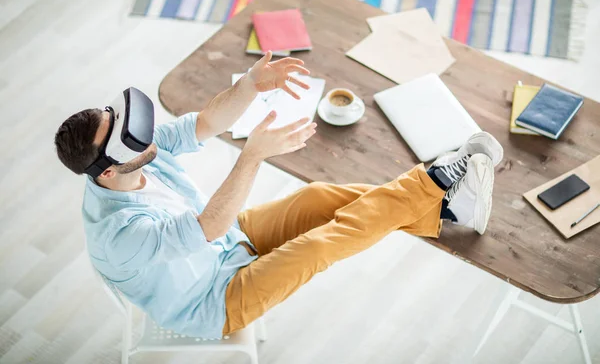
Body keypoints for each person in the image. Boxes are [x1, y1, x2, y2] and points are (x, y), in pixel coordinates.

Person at [54, 52, 503, 339]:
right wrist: (252, 158)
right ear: (109, 170)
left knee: (319, 197)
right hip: (215, 298)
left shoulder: (141, 154)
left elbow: (204, 123)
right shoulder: (119, 234)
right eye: (134, 137)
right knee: (323, 245)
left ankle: (447, 206)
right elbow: (204, 228)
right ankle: (437, 185)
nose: (149, 136)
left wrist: (250, 84)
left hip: (227, 242)